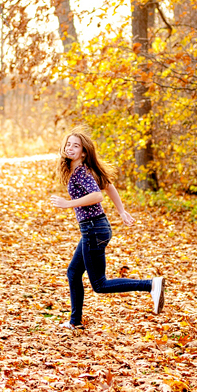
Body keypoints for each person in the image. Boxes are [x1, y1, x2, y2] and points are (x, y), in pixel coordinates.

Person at [50, 128, 166, 330]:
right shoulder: (85, 170)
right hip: (96, 227)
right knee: (73, 272)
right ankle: (75, 322)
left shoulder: (81, 173)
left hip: (94, 229)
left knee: (100, 284)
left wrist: (68, 203)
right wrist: (121, 211)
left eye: (76, 145)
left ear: (84, 152)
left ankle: (151, 285)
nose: (70, 147)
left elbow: (98, 196)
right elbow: (109, 185)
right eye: (68, 144)